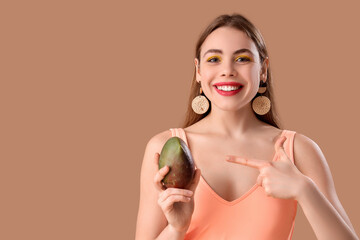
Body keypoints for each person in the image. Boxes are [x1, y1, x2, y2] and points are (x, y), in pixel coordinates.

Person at [135, 13, 359, 240]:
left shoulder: (298, 150)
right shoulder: (163, 146)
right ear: (199, 71)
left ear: (263, 70)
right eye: (214, 59)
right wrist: (176, 228)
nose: (228, 70)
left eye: (242, 59)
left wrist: (305, 190)